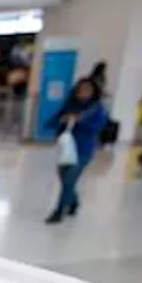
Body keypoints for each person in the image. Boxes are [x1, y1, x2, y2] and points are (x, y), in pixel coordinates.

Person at [45, 77, 107, 224]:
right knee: (64, 177)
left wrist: (80, 120)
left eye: (87, 90)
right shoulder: (69, 106)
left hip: (83, 150)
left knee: (69, 180)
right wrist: (62, 119)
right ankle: (74, 202)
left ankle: (60, 211)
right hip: (66, 149)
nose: (83, 93)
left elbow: (97, 128)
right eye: (81, 90)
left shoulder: (96, 109)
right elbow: (50, 123)